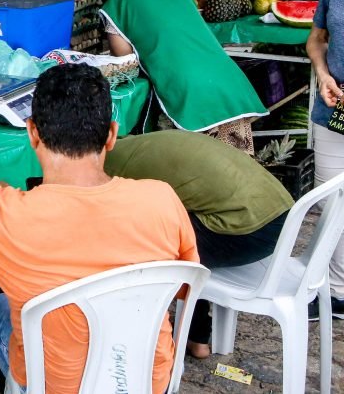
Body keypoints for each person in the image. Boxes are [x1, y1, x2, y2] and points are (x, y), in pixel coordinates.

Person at [0, 64, 198, 394]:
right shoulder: (162, 198)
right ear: (111, 135)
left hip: (52, 387)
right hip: (148, 381)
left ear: (32, 133)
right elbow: (182, 289)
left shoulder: (2, 213)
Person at [104, 131, 293, 356]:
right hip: (282, 215)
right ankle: (196, 338)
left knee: (149, 243)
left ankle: (139, 336)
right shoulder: (137, 147)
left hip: (250, 229)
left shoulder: (105, 172)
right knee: (173, 228)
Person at [102, 0, 267, 151]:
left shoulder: (117, 3)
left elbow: (124, 61)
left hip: (189, 93)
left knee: (192, 165)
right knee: (234, 164)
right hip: (229, 82)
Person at [305, 0, 344, 320]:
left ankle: (337, 288)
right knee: (330, 200)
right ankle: (336, 291)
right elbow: (317, 39)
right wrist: (323, 73)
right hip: (335, 104)